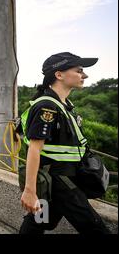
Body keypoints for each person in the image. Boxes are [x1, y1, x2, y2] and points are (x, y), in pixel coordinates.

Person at [19, 52, 110, 234]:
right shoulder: (47, 107)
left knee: (38, 222)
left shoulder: (63, 104)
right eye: (79, 70)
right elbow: (34, 149)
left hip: (59, 179)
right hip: (61, 183)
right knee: (95, 228)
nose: (84, 75)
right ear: (59, 75)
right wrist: (30, 190)